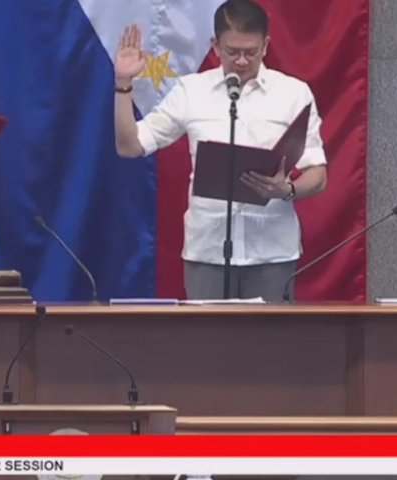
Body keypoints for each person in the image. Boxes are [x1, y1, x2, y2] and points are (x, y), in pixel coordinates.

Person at [113, 0, 327, 301]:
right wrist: (123, 84)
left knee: (273, 347)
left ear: (265, 45)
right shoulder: (192, 91)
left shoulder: (293, 93)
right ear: (215, 45)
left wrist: (288, 189)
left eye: (250, 52)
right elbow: (130, 146)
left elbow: (318, 173)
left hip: (272, 253)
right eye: (232, 52)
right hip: (208, 252)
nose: (241, 61)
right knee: (205, 345)